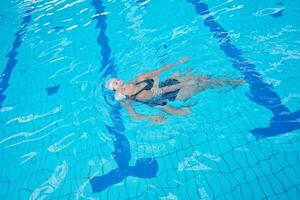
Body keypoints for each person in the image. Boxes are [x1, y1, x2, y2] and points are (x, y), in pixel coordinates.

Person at [105, 57, 244, 124]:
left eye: (117, 80)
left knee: (203, 77)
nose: (119, 82)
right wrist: (152, 117)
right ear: (116, 91)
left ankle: (229, 82)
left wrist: (177, 63)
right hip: (175, 94)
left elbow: (158, 71)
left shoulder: (137, 79)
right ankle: (235, 83)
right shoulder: (133, 97)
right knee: (205, 84)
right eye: (115, 85)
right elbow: (134, 115)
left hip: (168, 85)